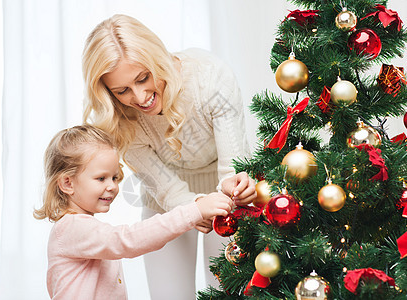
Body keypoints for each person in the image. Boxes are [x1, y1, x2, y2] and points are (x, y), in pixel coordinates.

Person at [82, 14, 257, 299]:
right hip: (166, 201)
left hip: (227, 194)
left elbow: (232, 168)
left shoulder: (210, 77)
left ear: (157, 59)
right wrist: (193, 206)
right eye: (122, 90)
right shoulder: (117, 120)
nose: (139, 97)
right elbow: (166, 187)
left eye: (143, 78)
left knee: (228, 292)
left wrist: (233, 187)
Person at [33, 124, 233, 299]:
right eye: (101, 178)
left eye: (115, 177)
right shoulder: (71, 228)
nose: (112, 186)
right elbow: (128, 239)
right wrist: (194, 210)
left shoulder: (82, 228)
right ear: (67, 183)